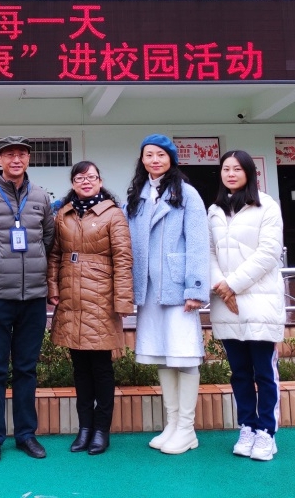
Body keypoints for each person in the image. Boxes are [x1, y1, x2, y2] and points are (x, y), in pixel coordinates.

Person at [0, 135, 56, 463]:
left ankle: (26, 435)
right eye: (9, 155)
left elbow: (48, 239)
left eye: (22, 154)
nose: (16, 160)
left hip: (33, 297)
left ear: (28, 160)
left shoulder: (41, 197)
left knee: (26, 368)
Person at [124, 133, 209, 456]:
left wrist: (195, 289)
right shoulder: (138, 195)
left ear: (171, 159)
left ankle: (187, 429)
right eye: (149, 154)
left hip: (178, 290)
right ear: (142, 160)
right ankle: (172, 424)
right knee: (162, 356)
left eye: (160, 154)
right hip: (149, 291)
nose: (154, 160)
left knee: (184, 356)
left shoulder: (187, 193)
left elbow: (198, 243)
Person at [47, 160, 134, 456]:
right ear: (73, 183)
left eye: (91, 177)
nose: (86, 182)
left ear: (100, 181)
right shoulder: (64, 214)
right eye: (80, 178)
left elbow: (123, 258)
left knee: (101, 368)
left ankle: (101, 429)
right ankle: (84, 428)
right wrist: (53, 288)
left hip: (101, 298)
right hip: (71, 297)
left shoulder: (113, 214)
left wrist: (123, 299)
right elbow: (55, 255)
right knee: (80, 368)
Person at [208, 149, 285, 462]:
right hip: (226, 304)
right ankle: (248, 427)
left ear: (249, 173)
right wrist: (220, 285)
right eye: (226, 168)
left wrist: (232, 285)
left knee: (264, 372)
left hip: (259, 301)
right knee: (239, 372)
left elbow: (269, 253)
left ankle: (267, 431)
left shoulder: (266, 205)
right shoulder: (215, 210)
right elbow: (208, 253)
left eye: (237, 169)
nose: (230, 174)